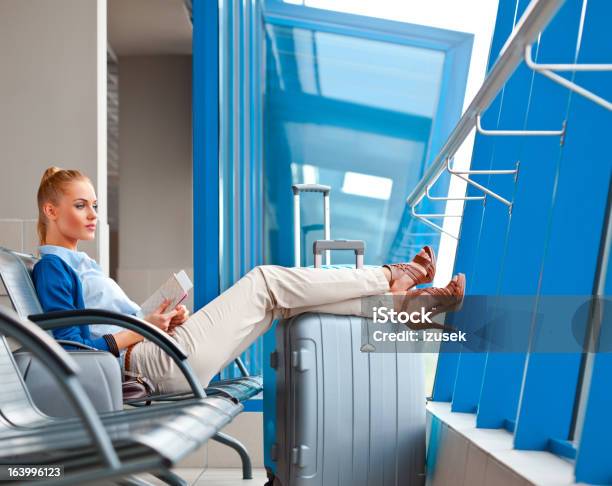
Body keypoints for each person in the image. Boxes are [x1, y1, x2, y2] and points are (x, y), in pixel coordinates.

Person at [32, 166, 465, 394]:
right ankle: (393, 275)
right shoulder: (54, 266)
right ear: (51, 211)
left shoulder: (79, 263)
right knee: (265, 282)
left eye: (94, 205)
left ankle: (407, 307)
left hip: (154, 352)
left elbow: (104, 328)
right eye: (81, 206)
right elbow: (71, 350)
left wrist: (159, 320)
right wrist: (142, 330)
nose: (93, 215)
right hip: (146, 365)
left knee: (283, 301)